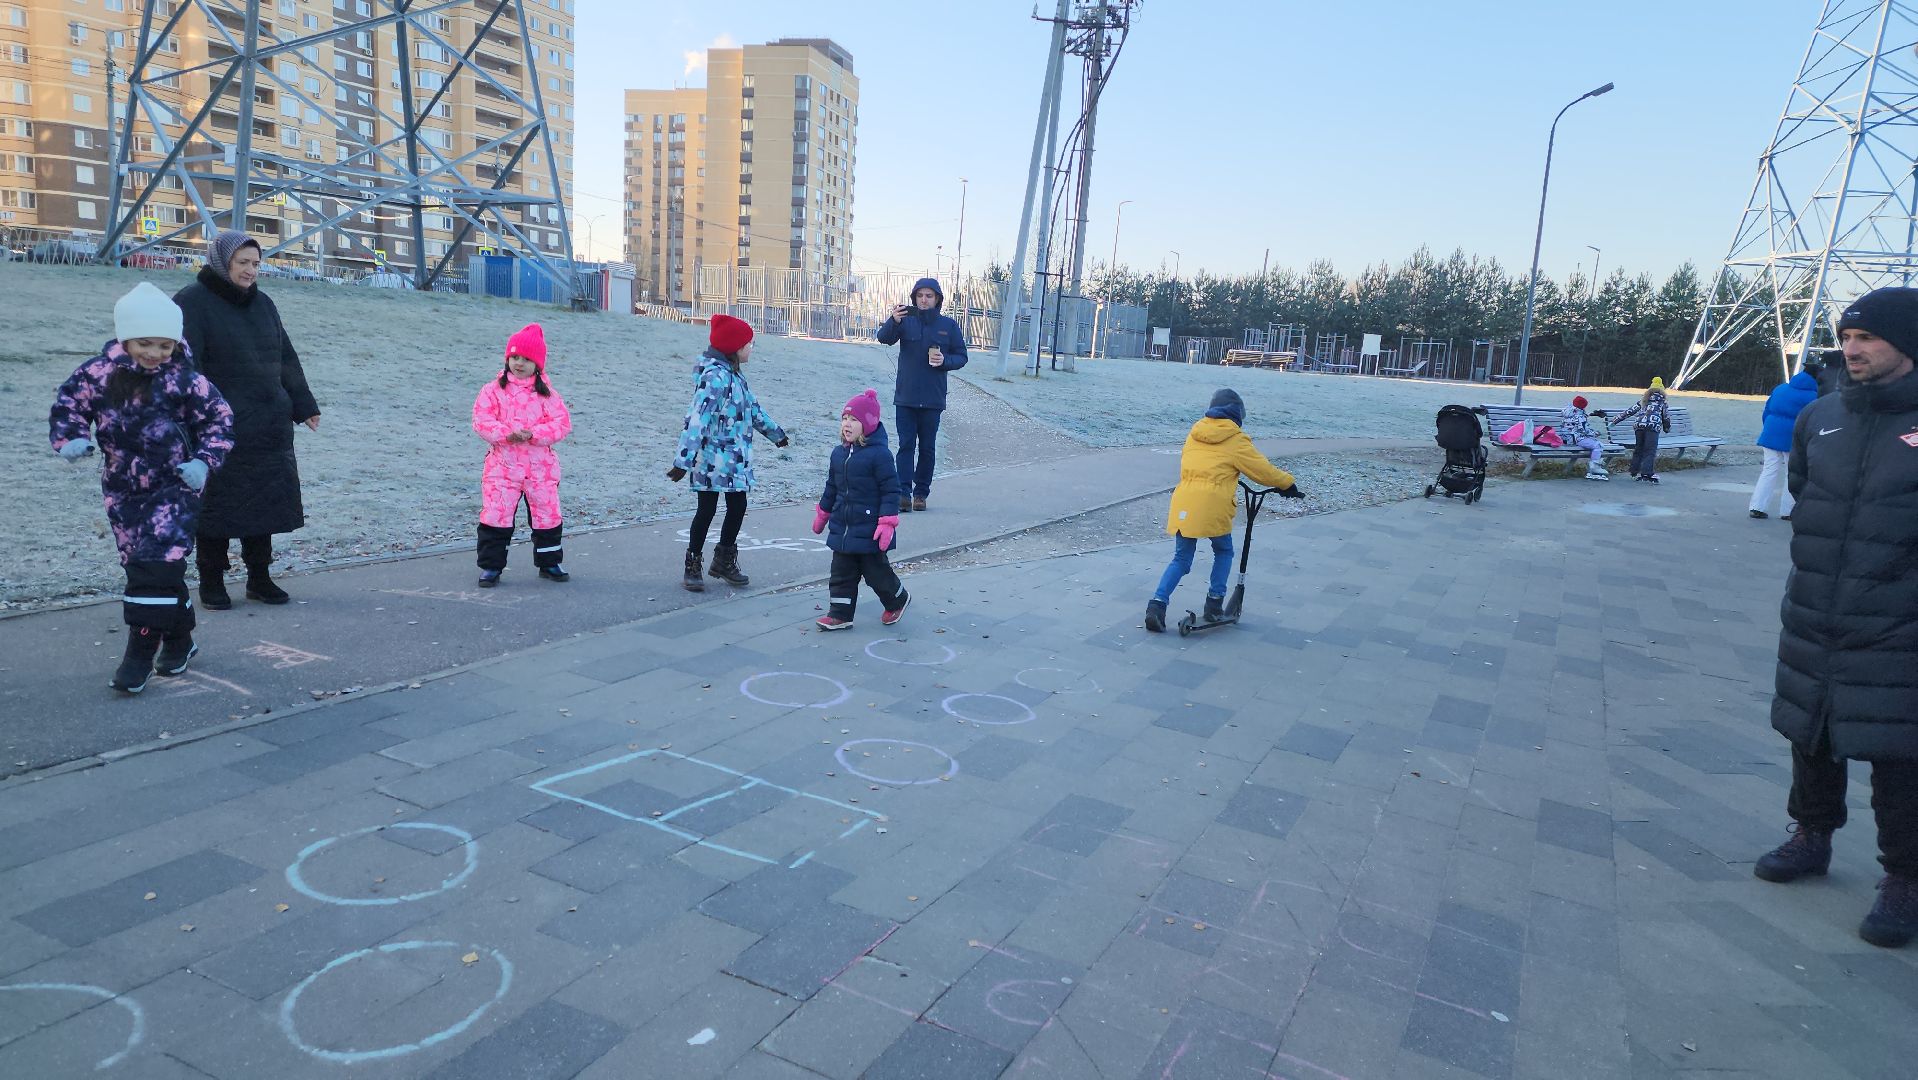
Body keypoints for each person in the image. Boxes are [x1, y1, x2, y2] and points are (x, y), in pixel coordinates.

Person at [1753, 286, 1918, 949]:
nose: (1851, 349)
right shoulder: (1820, 418)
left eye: (1866, 339)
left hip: (1900, 627)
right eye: (1846, 338)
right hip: (1817, 611)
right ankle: (1810, 837)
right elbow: (1805, 493)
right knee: (1810, 730)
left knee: (1899, 755)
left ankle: (1904, 878)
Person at [49, 283, 234, 693]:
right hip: (122, 489)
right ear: (125, 337)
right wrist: (72, 439)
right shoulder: (97, 374)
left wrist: (204, 462)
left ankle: (138, 656)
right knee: (149, 568)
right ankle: (181, 639)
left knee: (154, 568)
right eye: (146, 343)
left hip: (175, 488)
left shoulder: (186, 380)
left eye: (165, 346)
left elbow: (219, 421)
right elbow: (69, 405)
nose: (155, 354)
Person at [173, 229, 320, 608]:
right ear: (223, 262)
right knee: (216, 506)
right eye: (244, 263)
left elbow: (285, 355)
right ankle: (212, 581)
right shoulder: (192, 303)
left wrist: (304, 406)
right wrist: (198, 416)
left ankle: (260, 577)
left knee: (264, 503)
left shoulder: (264, 304)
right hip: (217, 427)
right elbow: (186, 365)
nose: (251, 270)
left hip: (267, 423)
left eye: (256, 263)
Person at [1145, 389, 1303, 633]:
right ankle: (1214, 603)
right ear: (1237, 413)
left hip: (1184, 502)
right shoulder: (1236, 439)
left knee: (1181, 559)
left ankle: (1156, 606)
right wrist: (1287, 484)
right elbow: (1262, 470)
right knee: (1223, 550)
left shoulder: (1195, 432)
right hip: (1213, 505)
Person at [668, 314, 788, 591]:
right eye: (749, 344)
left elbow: (754, 411)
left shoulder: (736, 377)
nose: (752, 348)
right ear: (735, 347)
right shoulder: (714, 378)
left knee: (738, 506)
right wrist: (682, 461)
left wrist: (776, 434)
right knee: (706, 510)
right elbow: (696, 420)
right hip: (710, 461)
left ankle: (723, 560)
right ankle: (692, 563)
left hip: (734, 461)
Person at [472, 324, 572, 587]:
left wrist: (534, 434)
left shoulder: (547, 395)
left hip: (541, 469)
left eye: (527, 359)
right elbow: (481, 420)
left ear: (537, 365)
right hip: (502, 468)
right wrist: (506, 433)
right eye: (515, 357)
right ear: (507, 359)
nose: (519, 363)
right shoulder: (492, 390)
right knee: (496, 515)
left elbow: (561, 424)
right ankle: (491, 566)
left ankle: (549, 562)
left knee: (547, 516)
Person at [811, 389, 909, 631]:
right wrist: (823, 513)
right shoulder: (838, 454)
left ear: (868, 424)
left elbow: (890, 490)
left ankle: (897, 599)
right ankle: (840, 614)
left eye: (854, 420)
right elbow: (831, 487)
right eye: (845, 418)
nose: (847, 424)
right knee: (840, 574)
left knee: (876, 573)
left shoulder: (880, 455)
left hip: (870, 529)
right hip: (843, 527)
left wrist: (887, 522)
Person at [876, 277, 968, 513]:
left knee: (927, 448)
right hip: (905, 397)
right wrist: (893, 320)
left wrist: (945, 361)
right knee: (906, 446)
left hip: (933, 399)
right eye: (920, 296)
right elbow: (884, 338)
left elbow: (962, 356)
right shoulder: (905, 321)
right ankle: (903, 494)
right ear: (914, 298)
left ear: (937, 299)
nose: (924, 300)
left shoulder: (948, 326)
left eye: (929, 295)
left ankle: (921, 494)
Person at [1748, 368, 1818, 520]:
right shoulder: (1814, 396)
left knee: (1768, 470)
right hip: (1793, 439)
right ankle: (1788, 511)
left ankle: (1757, 506)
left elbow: (1766, 411)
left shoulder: (1780, 389)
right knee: (1792, 473)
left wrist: (1768, 428)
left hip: (1771, 433)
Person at [1609, 376, 1672, 482]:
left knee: (1639, 449)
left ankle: (1633, 471)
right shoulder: (1662, 401)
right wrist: (1667, 428)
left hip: (1639, 427)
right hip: (1652, 427)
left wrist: (1615, 421)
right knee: (1650, 450)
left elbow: (1630, 411)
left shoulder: (1644, 399)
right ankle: (1647, 473)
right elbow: (1665, 417)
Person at [1559, 395, 1609, 481]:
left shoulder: (1569, 412)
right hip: (1576, 439)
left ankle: (1594, 465)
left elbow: (1576, 424)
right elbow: (1583, 430)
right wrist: (1595, 433)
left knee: (1593, 443)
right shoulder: (1579, 417)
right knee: (1598, 445)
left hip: (1567, 438)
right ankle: (1594, 467)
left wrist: (1591, 415)